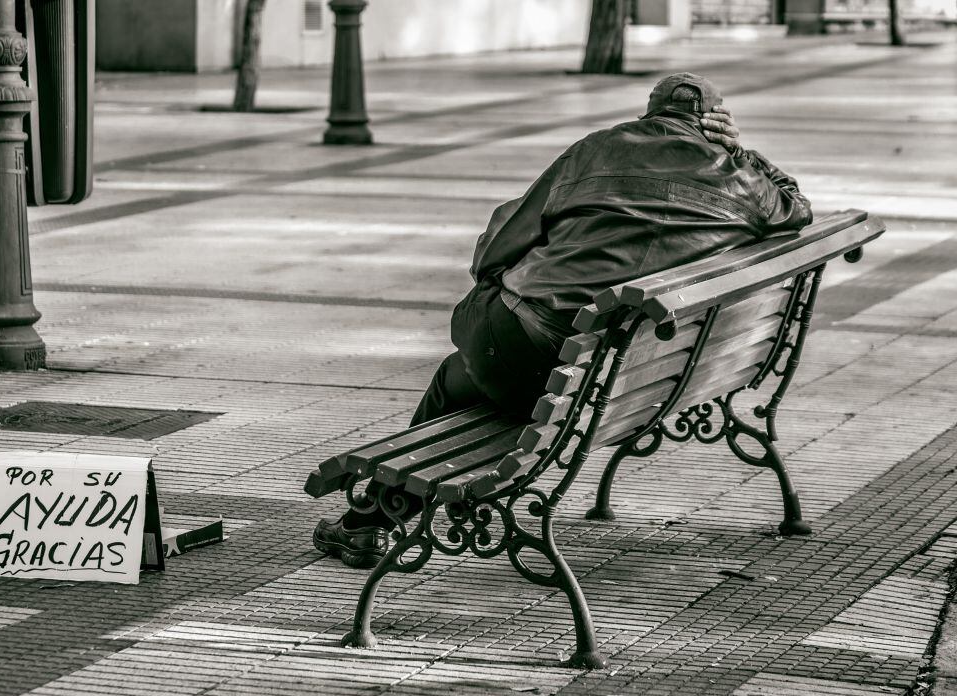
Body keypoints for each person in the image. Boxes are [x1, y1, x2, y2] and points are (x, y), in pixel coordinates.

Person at [313, 72, 813, 569]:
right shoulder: (743, 181)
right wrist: (742, 153)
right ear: (715, 125)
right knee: (478, 371)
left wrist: (501, 275)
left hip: (539, 353)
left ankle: (371, 520)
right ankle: (373, 519)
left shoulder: (597, 148)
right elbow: (797, 206)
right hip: (631, 378)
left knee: (464, 363)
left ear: (651, 113)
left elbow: (503, 242)